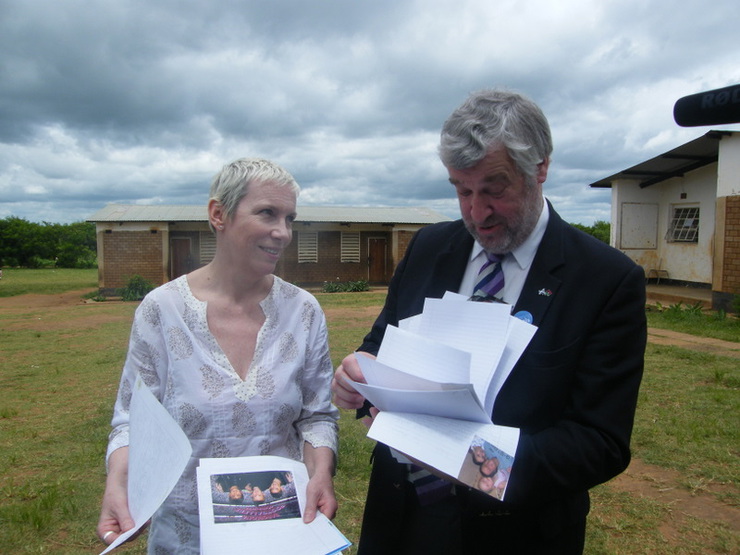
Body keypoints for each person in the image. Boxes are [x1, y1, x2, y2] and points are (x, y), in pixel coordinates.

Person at [331, 89, 646, 554]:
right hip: (400, 516)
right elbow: (379, 346)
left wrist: (474, 463)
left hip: (517, 532)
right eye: (462, 191)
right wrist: (357, 377)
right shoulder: (427, 248)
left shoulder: (605, 279)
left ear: (540, 168)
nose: (477, 213)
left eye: (494, 189)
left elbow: (599, 441)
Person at [97, 158, 339, 553]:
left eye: (290, 218)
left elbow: (316, 417)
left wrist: (322, 473)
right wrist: (117, 485)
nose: (283, 233)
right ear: (218, 214)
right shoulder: (163, 310)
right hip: (187, 535)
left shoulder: (304, 311)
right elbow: (131, 421)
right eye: (267, 213)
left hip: (281, 531)